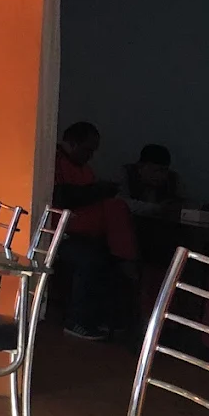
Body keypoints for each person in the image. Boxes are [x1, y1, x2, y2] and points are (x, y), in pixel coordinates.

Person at [54, 121, 139, 341]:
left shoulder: (85, 169)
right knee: (90, 260)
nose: (90, 156)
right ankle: (77, 321)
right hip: (60, 235)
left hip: (88, 234)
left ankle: (102, 318)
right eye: (87, 150)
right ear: (72, 143)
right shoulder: (55, 163)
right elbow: (62, 197)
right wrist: (97, 191)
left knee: (113, 260)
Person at [123, 143, 182, 215]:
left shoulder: (172, 179)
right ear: (140, 167)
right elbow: (121, 203)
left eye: (164, 170)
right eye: (155, 170)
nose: (161, 176)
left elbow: (188, 203)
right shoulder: (126, 174)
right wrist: (157, 208)